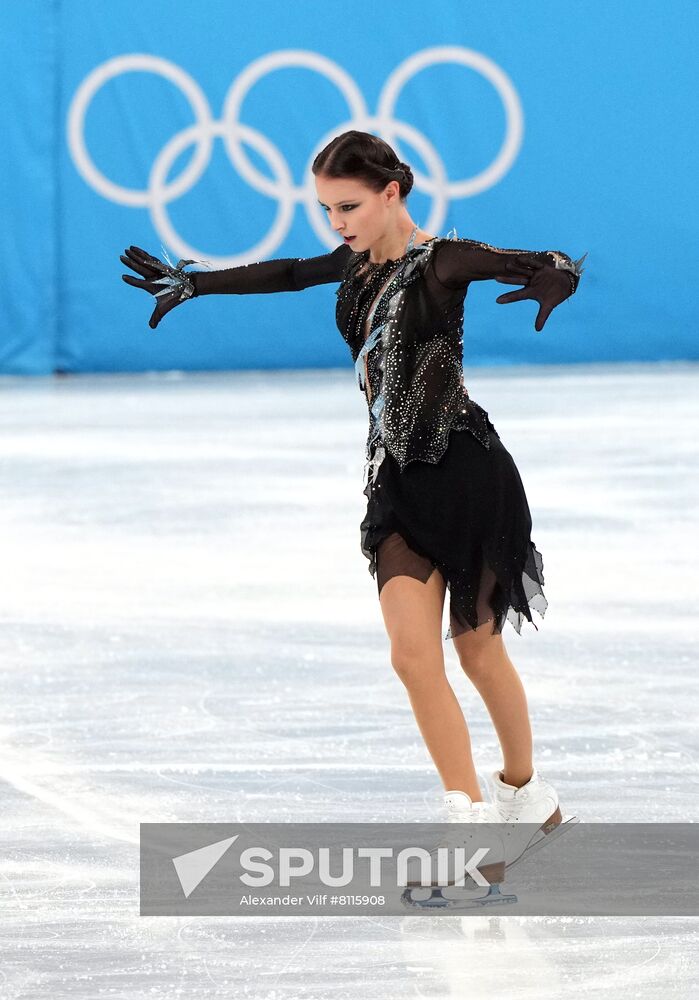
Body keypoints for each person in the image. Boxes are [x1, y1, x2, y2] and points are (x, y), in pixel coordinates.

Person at [120, 130, 586, 860]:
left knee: (477, 653)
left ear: (390, 193)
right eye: (325, 209)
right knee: (410, 657)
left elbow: (543, 260)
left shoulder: (442, 261)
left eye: (347, 206)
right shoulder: (353, 264)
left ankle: (526, 793)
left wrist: (556, 276)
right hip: (396, 482)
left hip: (468, 474)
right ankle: (464, 822)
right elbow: (284, 274)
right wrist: (196, 281)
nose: (335, 223)